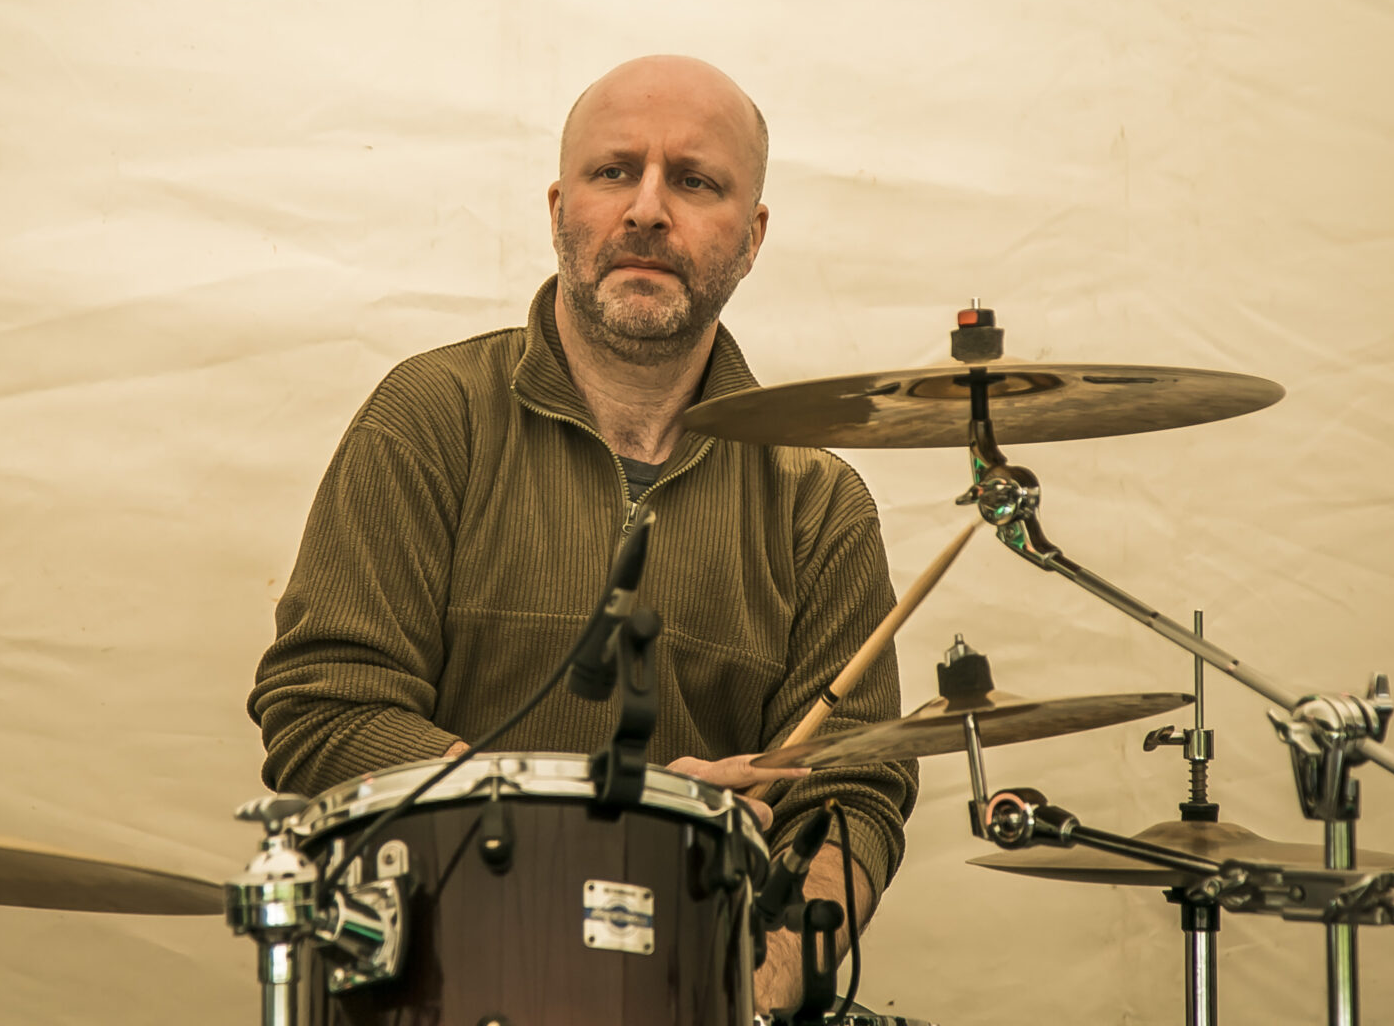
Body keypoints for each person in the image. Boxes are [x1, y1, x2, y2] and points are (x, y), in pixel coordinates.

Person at [248, 55, 917, 1013]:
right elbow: (328, 705)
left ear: (753, 235)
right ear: (560, 207)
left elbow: (853, 794)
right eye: (615, 172)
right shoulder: (429, 417)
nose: (647, 210)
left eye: (695, 181)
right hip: (439, 990)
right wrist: (600, 827)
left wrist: (764, 986)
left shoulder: (818, 504)